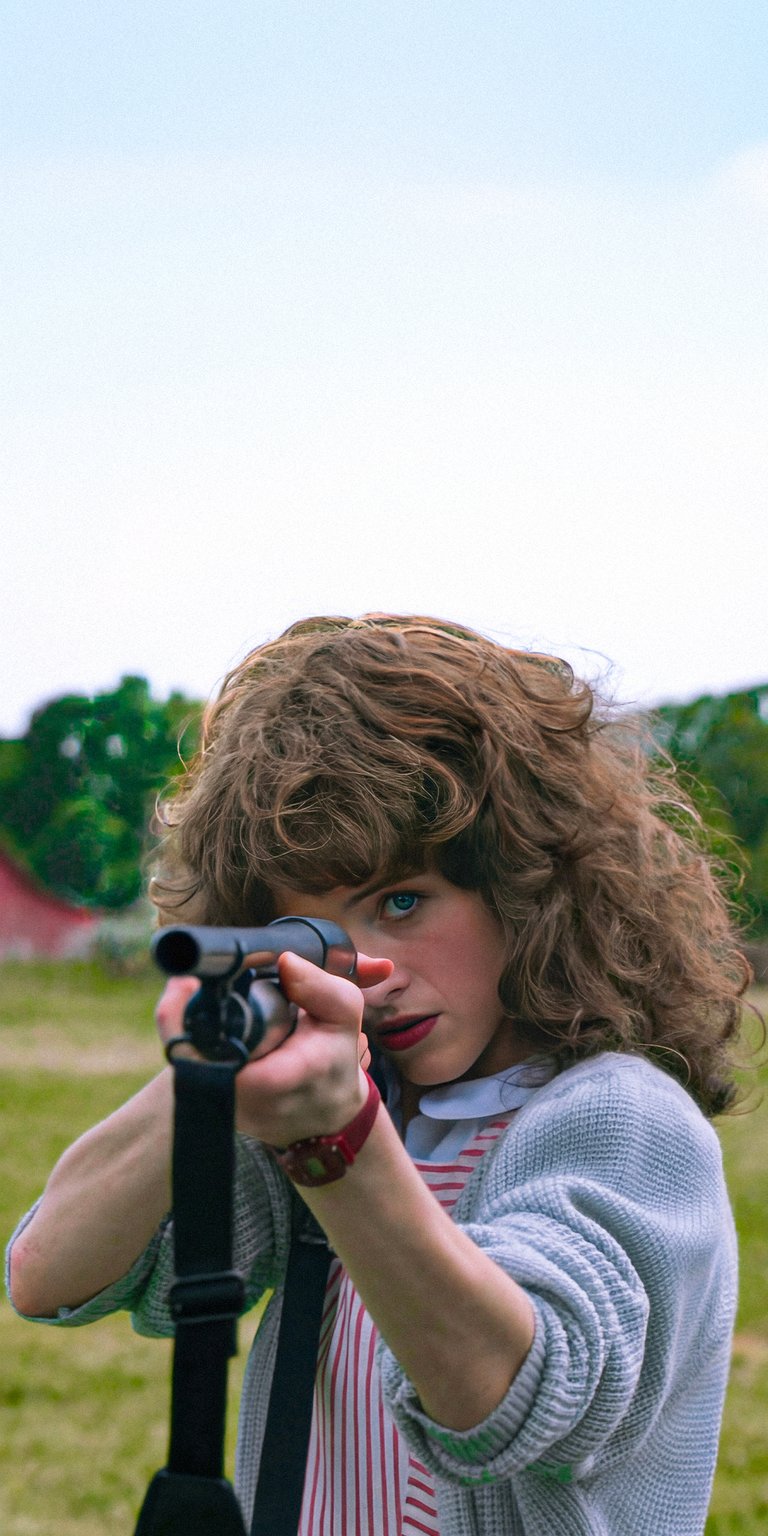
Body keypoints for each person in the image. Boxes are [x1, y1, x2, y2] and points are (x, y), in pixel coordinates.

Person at [7, 613, 749, 1535]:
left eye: (402, 900)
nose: (367, 971)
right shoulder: (376, 1095)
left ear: (527, 887)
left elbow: (514, 1397)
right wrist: (217, 1053)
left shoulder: (623, 1118)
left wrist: (339, 1142)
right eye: (309, 931)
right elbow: (50, 1273)